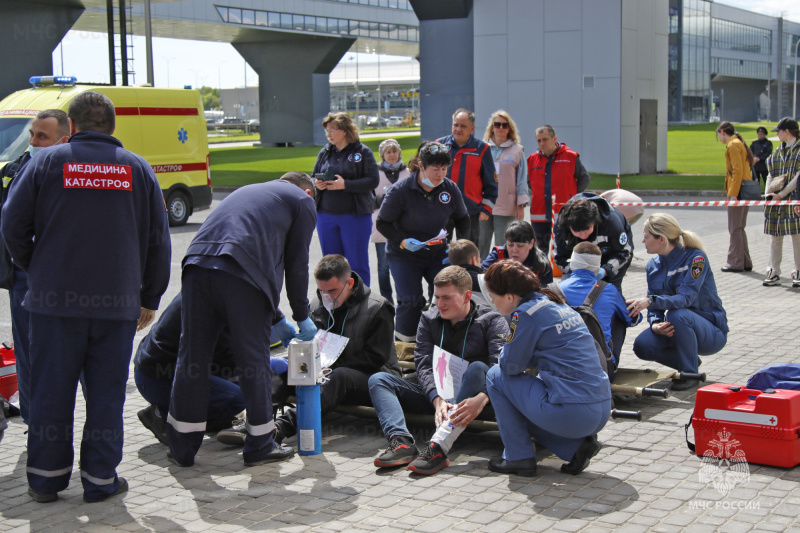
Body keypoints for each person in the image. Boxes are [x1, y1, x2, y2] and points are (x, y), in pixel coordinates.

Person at [1, 91, 171, 503]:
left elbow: (11, 223)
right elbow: (158, 242)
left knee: (50, 391)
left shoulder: (45, 163)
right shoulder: (138, 169)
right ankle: (99, 480)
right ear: (113, 127)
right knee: (106, 395)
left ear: (71, 126)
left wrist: (34, 266)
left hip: (54, 304)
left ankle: (45, 479)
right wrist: (150, 296)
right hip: (116, 306)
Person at [167, 172, 318, 468]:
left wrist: (276, 316)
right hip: (240, 275)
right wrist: (301, 316)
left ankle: (181, 447)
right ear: (308, 192)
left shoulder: (251, 190)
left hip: (197, 265)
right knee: (254, 360)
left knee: (192, 358)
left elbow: (248, 252)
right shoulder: (303, 201)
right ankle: (260, 444)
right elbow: (296, 263)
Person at [216, 254, 400, 446]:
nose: (327, 297)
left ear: (350, 283)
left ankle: (279, 428)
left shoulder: (378, 308)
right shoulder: (317, 304)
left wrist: (328, 368)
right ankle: (256, 422)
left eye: (333, 291)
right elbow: (309, 345)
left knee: (339, 376)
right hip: (329, 370)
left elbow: (376, 358)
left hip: (375, 378)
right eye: (322, 291)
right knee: (285, 371)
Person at [368, 266, 509, 475]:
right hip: (438, 401)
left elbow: (500, 368)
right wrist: (436, 399)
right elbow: (423, 363)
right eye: (437, 297)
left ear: (467, 296)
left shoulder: (491, 320)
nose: (440, 304)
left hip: (475, 403)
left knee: (479, 368)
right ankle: (401, 443)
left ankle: (437, 447)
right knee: (379, 380)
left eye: (447, 298)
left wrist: (482, 397)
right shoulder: (429, 318)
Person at [484, 260, 611, 477]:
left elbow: (509, 366)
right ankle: (575, 449)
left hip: (575, 412)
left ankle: (518, 457)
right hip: (601, 407)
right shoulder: (556, 303)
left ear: (509, 296)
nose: (492, 302)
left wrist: (508, 345)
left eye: (493, 297)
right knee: (519, 400)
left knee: (495, 376)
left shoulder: (524, 313)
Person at [134, 293, 290, 445]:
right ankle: (163, 416)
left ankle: (208, 420)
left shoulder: (204, 287)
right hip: (157, 380)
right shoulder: (217, 308)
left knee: (235, 384)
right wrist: (265, 364)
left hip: (152, 368)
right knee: (238, 398)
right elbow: (229, 360)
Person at [0, 109, 70, 426]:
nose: (32, 141)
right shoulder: (20, 167)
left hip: (61, 281)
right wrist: (26, 267)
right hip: (24, 279)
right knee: (27, 355)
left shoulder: (70, 174)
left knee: (66, 357)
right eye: (31, 134)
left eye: (41, 136)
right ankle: (34, 423)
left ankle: (59, 425)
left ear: (63, 139)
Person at [376, 141, 470, 342]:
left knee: (445, 298)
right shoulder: (400, 191)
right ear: (421, 166)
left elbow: (463, 219)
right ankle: (405, 348)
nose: (440, 174)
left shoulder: (450, 188)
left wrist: (460, 247)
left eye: (444, 169)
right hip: (403, 255)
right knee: (410, 301)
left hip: (437, 253)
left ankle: (440, 344)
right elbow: (382, 223)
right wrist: (402, 241)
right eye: (435, 169)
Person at [626, 213, 728, 391]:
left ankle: (689, 373)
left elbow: (684, 299)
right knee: (643, 346)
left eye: (646, 236)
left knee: (678, 314)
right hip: (679, 327)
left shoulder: (696, 258)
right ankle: (687, 360)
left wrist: (650, 301)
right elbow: (654, 306)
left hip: (711, 332)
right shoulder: (652, 266)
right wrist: (655, 324)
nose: (642, 241)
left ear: (662, 240)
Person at [312, 112, 379, 285]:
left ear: (345, 130)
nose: (329, 134)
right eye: (327, 131)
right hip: (326, 215)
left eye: (332, 130)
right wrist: (317, 183)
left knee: (356, 263)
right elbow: (313, 176)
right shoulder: (325, 152)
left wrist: (346, 185)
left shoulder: (363, 152)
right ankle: (336, 301)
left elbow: (373, 181)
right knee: (331, 264)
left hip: (355, 215)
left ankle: (362, 302)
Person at [555, 242, 642, 365]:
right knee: (619, 316)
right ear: (598, 268)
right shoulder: (609, 290)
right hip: (599, 369)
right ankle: (611, 360)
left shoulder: (552, 291)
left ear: (572, 264)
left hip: (559, 366)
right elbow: (632, 320)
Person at [436, 109, 498, 246]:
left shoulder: (482, 149)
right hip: (441, 210)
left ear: (472, 129)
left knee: (467, 251)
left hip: (469, 211)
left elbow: (491, 182)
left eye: (463, 126)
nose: (458, 129)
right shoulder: (439, 146)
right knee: (438, 252)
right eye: (455, 125)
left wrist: (486, 208)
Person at [527, 125, 591, 253]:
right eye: (539, 140)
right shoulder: (532, 159)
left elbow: (585, 179)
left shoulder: (571, 157)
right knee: (540, 252)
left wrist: (571, 196)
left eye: (545, 139)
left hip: (564, 213)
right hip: (539, 214)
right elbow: (529, 183)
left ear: (554, 138)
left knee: (565, 249)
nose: (541, 143)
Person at [553, 192, 633, 291]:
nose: (583, 236)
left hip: (609, 257)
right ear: (569, 227)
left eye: (586, 231)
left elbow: (624, 252)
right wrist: (575, 271)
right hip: (576, 268)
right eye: (577, 232)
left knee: (610, 292)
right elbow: (559, 257)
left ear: (594, 222)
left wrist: (605, 270)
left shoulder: (611, 222)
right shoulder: (561, 226)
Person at [478, 110, 528, 259]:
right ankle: (480, 274)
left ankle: (501, 274)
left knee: (503, 244)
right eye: (497, 124)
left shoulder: (517, 150)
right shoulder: (481, 148)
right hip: (484, 204)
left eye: (504, 125)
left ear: (509, 128)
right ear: (492, 127)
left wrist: (521, 205)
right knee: (481, 243)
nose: (500, 127)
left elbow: (521, 179)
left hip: (506, 205)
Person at [762, 117, 800, 287]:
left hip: (793, 200)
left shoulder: (799, 151)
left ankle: (798, 271)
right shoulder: (777, 152)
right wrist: (768, 194)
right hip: (776, 203)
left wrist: (783, 194)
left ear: (787, 131)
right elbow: (770, 174)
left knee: (797, 236)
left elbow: (799, 177)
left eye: (779, 130)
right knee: (775, 236)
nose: (777, 133)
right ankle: (773, 270)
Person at [371, 139, 410, 304]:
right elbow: (368, 200)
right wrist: (385, 198)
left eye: (394, 151)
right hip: (382, 226)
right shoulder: (375, 173)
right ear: (382, 155)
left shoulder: (407, 172)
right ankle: (387, 300)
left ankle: (405, 298)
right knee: (383, 267)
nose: (392, 155)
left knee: (405, 265)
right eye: (388, 152)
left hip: (404, 226)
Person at [716, 121, 754, 273]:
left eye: (718, 135)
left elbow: (736, 171)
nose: (719, 138)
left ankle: (735, 262)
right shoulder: (739, 143)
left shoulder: (733, 145)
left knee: (734, 229)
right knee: (739, 228)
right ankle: (744, 261)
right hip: (744, 190)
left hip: (737, 191)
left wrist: (732, 195)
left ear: (723, 132)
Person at [482, 220, 553, 286]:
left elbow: (546, 294)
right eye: (510, 245)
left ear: (531, 243)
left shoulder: (542, 264)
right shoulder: (498, 255)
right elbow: (480, 276)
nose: (514, 250)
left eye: (520, 246)